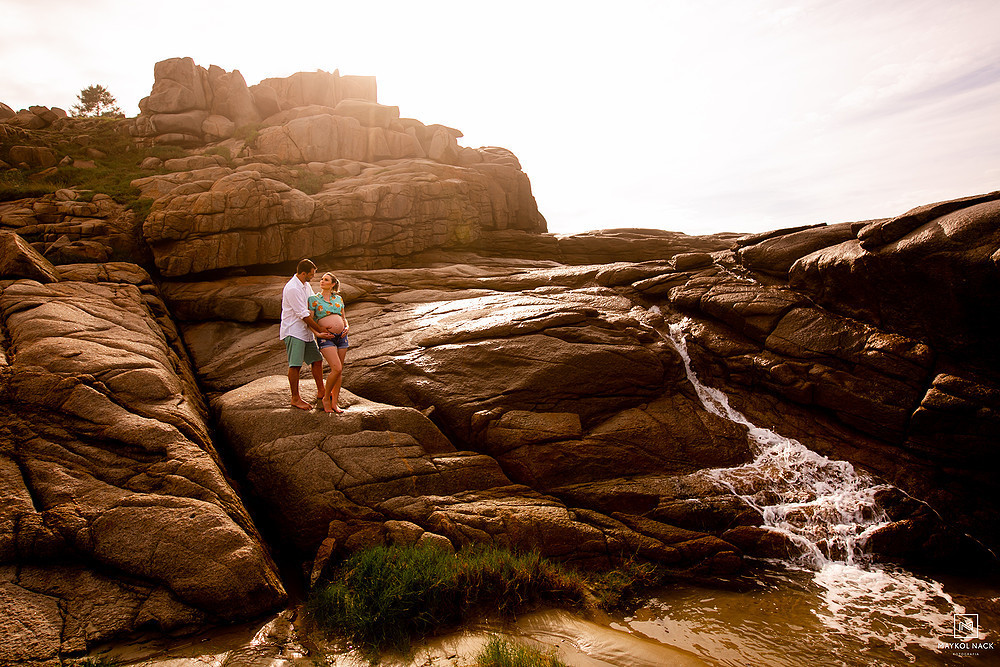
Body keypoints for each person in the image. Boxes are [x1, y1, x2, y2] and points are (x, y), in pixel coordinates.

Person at [279, 259, 333, 410]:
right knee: (295, 365)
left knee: (317, 360)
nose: (313, 277)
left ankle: (321, 391)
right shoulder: (292, 288)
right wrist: (320, 330)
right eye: (312, 274)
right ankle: (295, 398)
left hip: (306, 331)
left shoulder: (305, 285)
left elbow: (313, 302)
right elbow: (303, 314)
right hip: (294, 330)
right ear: (304, 273)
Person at [308, 272, 350, 413]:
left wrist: (347, 327)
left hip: (342, 337)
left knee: (339, 371)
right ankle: (326, 398)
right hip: (326, 337)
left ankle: (335, 403)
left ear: (333, 284)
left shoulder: (338, 298)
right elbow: (310, 321)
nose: (322, 281)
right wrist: (317, 334)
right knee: (336, 368)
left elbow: (343, 317)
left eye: (326, 280)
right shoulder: (314, 299)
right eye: (321, 279)